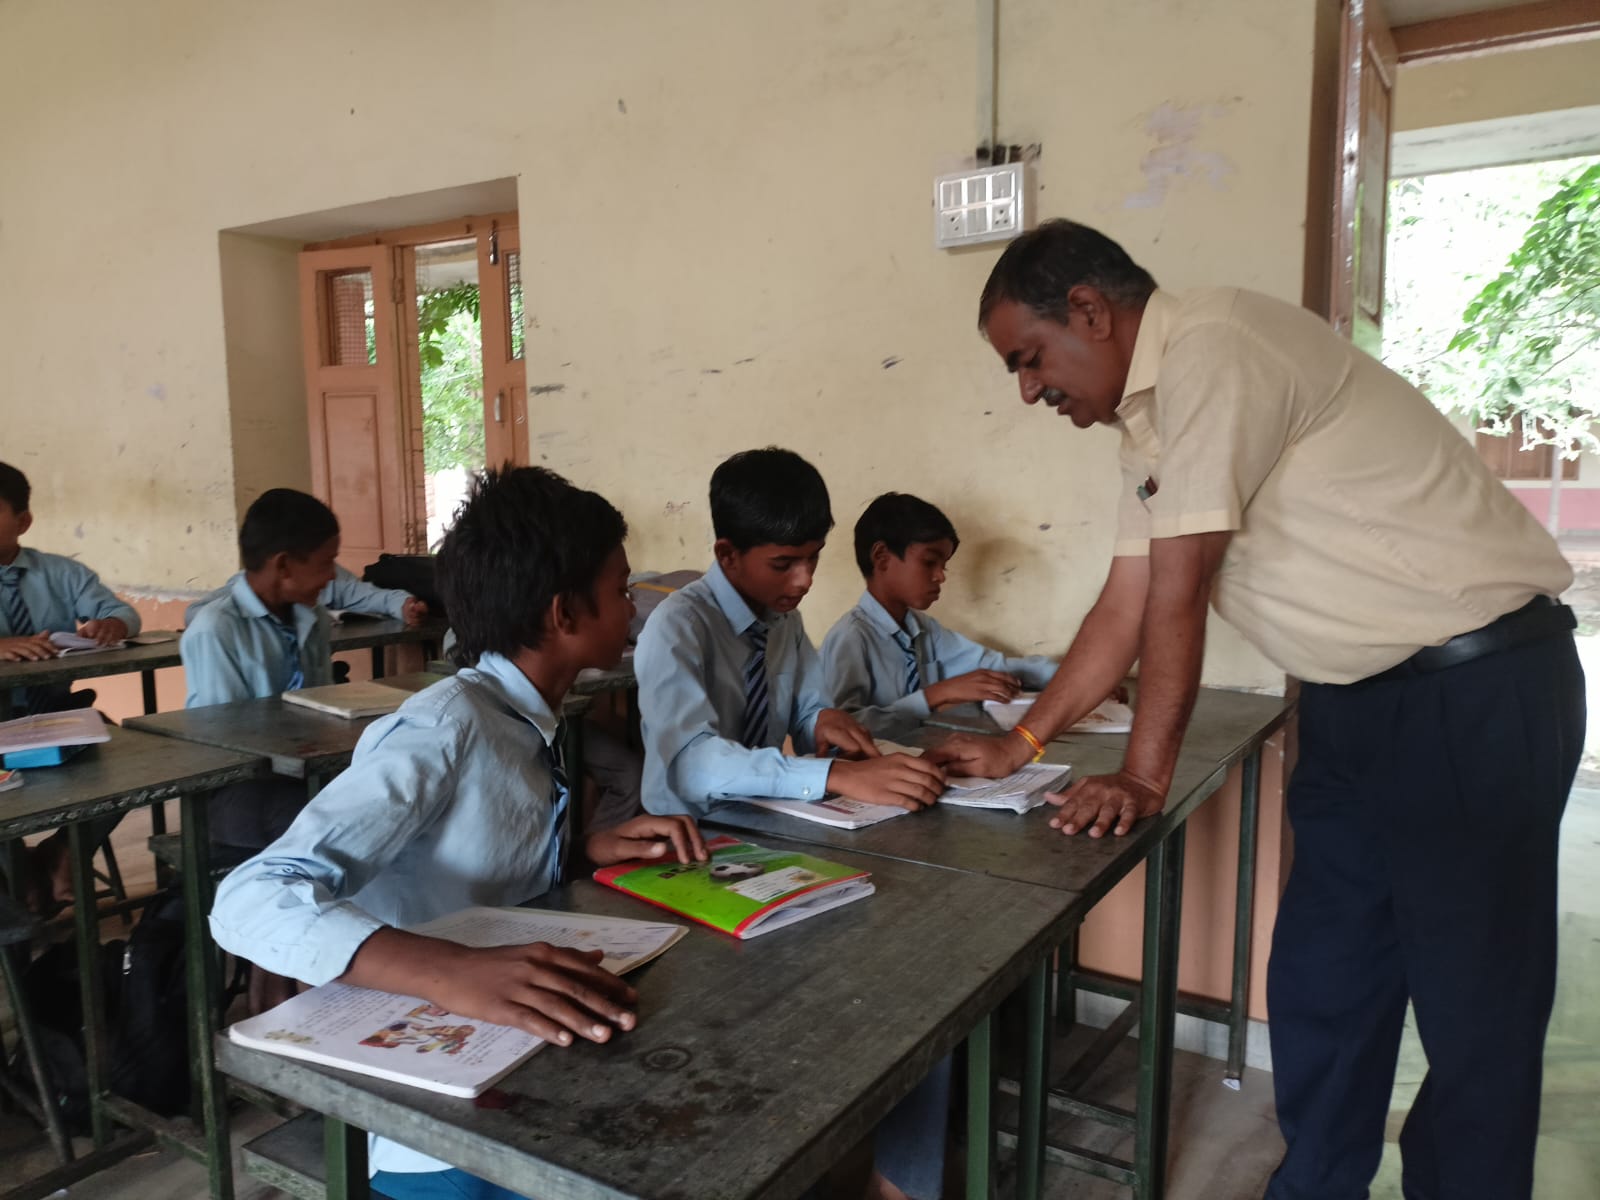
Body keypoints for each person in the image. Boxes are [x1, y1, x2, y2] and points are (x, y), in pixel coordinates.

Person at [928, 218, 1582, 1200]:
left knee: (1474, 1015)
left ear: (1090, 312)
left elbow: (1178, 588)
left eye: (1029, 358)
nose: (1028, 390)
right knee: (1325, 987)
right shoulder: (1145, 425)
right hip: (1352, 708)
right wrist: (1019, 743)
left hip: (1472, 688)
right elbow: (1123, 604)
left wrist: (1143, 775)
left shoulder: (1216, 346)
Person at [211, 465, 706, 1200]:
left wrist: (582, 851)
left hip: (519, 1059)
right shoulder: (443, 728)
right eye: (621, 590)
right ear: (564, 613)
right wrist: (449, 971)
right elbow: (251, 898)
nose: (633, 608)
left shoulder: (526, 715)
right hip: (433, 1119)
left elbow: (476, 859)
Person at [635, 447, 949, 1200]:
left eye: (812, 559)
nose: (805, 580)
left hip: (768, 834)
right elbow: (694, 767)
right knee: (788, 1011)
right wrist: (834, 776)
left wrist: (827, 724)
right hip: (685, 851)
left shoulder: (782, 618)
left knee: (922, 973)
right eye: (785, 563)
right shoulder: (678, 627)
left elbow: (806, 707)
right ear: (727, 553)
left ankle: (896, 1183)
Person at [0, 461, 143, 911]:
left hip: (54, 716)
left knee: (134, 763)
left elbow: (123, 613)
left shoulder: (59, 572)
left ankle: (65, 852)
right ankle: (19, 874)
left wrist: (111, 625)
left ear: (23, 521)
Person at [820, 491, 1055, 734]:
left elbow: (994, 666)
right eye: (929, 562)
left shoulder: (924, 631)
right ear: (882, 558)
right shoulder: (850, 637)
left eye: (944, 566)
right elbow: (838, 732)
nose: (940, 576)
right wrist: (936, 695)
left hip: (919, 750)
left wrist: (1066, 678)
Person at [185, 563, 428, 628]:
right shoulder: (239, 594)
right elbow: (193, 613)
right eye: (323, 563)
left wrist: (402, 604)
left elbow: (363, 594)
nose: (331, 574)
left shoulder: (324, 584)